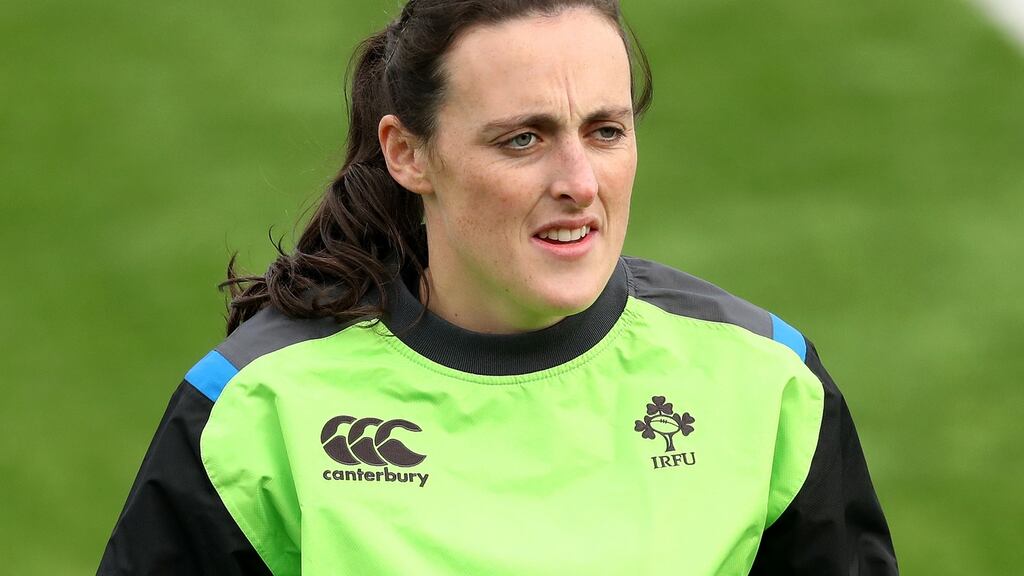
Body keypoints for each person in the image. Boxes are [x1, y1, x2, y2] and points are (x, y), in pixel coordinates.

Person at [98, 0, 898, 574]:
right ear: (408, 153)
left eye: (605, 131)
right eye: (523, 139)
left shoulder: (766, 383)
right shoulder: (256, 406)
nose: (579, 182)